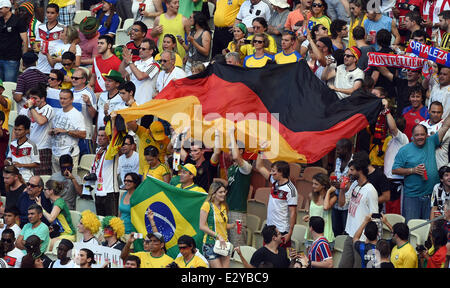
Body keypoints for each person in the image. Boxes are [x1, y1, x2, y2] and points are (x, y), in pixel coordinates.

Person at [393, 111, 450, 222]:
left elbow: (445, 126)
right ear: (412, 136)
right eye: (417, 135)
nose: (420, 137)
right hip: (412, 197)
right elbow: (395, 169)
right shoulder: (405, 150)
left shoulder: (431, 141)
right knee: (412, 227)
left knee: (430, 227)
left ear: (427, 135)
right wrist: (412, 170)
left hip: (431, 195)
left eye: (422, 134)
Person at [338, 158, 379, 268]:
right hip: (350, 234)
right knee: (343, 265)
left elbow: (375, 218)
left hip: (363, 239)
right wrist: (341, 189)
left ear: (359, 171)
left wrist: (370, 241)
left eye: (351, 170)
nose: (349, 173)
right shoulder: (354, 185)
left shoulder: (371, 190)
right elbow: (342, 204)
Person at [255, 149, 297, 247]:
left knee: (279, 260)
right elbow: (259, 166)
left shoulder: (291, 189)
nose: (271, 173)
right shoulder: (274, 181)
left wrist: (289, 233)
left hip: (282, 231)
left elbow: (293, 212)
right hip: (269, 228)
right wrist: (261, 152)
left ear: (281, 172)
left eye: (274, 171)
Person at [50, 89, 86, 175]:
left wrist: (66, 131)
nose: (62, 101)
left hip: (69, 154)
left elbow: (83, 134)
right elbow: (54, 128)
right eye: (61, 98)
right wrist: (52, 131)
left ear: (72, 99)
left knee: (69, 183)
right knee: (56, 183)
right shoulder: (58, 112)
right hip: (56, 153)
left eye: (65, 99)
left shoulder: (77, 115)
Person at [199, 181, 235, 268]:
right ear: (213, 193)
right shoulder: (207, 205)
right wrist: (217, 235)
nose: (223, 194)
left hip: (224, 243)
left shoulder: (224, 206)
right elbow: (202, 226)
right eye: (220, 192)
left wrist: (233, 225)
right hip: (210, 243)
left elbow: (223, 226)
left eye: (224, 192)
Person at [20, 87, 54, 176]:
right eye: (31, 98)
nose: (32, 100)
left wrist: (31, 107)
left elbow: (41, 121)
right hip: (33, 148)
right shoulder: (34, 109)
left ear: (42, 98)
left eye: (35, 98)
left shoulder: (48, 108)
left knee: (42, 176)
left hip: (43, 148)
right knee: (32, 176)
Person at [36, 180, 76, 250]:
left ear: (51, 191)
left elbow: (51, 218)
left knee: (47, 245)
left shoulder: (59, 202)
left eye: (45, 189)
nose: (44, 192)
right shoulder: (54, 202)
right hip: (59, 235)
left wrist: (40, 207)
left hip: (68, 235)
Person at [120, 38, 160, 104]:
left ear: (151, 51)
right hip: (133, 103)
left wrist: (130, 61)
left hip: (145, 103)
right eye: (140, 48)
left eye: (143, 49)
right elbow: (122, 74)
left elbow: (140, 77)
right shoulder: (136, 63)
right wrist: (125, 59)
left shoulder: (155, 65)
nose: (140, 50)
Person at [91, 127, 120, 216]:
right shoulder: (98, 152)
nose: (99, 138)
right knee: (101, 223)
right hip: (98, 191)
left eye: (103, 136)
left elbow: (114, 137)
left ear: (108, 138)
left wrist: (113, 120)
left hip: (110, 192)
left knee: (111, 223)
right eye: (98, 135)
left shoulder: (112, 150)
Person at [303, 173, 336, 247]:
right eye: (313, 183)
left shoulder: (332, 197)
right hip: (311, 233)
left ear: (323, 185)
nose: (313, 186)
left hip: (325, 234)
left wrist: (328, 192)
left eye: (316, 184)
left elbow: (326, 207)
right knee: (310, 258)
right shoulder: (311, 195)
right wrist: (308, 216)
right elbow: (309, 211)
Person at [71, 68, 97, 156]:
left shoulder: (89, 93)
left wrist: (89, 103)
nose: (73, 80)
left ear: (84, 80)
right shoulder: (69, 92)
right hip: (70, 135)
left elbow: (93, 115)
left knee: (86, 163)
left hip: (85, 135)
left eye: (76, 78)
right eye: (72, 77)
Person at [6, 115, 39, 183]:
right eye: (15, 129)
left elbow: (36, 164)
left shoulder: (32, 145)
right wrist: (7, 161)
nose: (17, 132)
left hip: (26, 179)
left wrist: (22, 165)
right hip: (13, 178)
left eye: (20, 130)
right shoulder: (13, 144)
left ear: (27, 130)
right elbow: (9, 158)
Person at [0, 0, 27, 82]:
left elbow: (25, 41)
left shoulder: (18, 21)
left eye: (0, 8)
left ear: (8, 8)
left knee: (9, 85)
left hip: (12, 59)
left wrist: (24, 59)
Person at [330, 138, 352, 237]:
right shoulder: (338, 160)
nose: (337, 152)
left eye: (339, 149)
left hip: (348, 203)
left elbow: (352, 183)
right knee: (335, 229)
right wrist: (333, 182)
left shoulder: (354, 162)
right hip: (336, 200)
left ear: (346, 149)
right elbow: (336, 175)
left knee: (346, 231)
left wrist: (341, 186)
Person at [36, 4, 65, 75]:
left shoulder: (63, 28)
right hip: (41, 65)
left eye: (52, 13)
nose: (49, 15)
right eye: (48, 12)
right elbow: (37, 43)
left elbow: (72, 41)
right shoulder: (40, 27)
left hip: (56, 66)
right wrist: (36, 47)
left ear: (57, 14)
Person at [421, 102, 450, 170]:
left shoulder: (446, 128)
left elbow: (433, 142)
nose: (436, 115)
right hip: (424, 167)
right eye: (433, 112)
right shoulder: (422, 124)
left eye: (438, 112)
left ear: (442, 113)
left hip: (440, 167)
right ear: (428, 111)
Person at [96, 70, 126, 134]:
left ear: (117, 84)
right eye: (106, 80)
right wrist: (95, 133)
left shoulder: (121, 98)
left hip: (113, 133)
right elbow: (99, 115)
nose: (106, 83)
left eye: (109, 81)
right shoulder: (102, 95)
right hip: (100, 133)